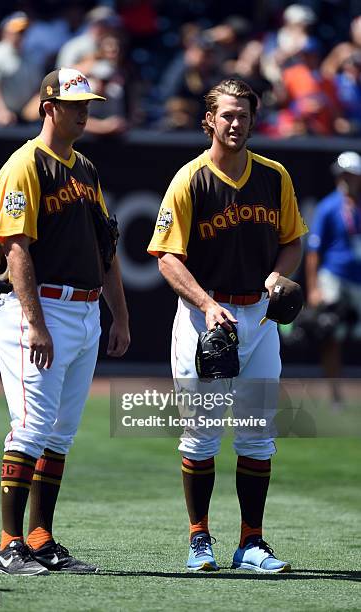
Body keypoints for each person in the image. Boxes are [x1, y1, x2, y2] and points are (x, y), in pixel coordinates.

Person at [148, 78, 307, 573]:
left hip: (259, 318)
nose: (235, 123)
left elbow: (293, 240)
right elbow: (166, 258)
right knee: (201, 436)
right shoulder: (190, 179)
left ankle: (251, 543)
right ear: (209, 121)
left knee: (258, 434)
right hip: (204, 319)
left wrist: (281, 274)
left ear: (254, 120)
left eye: (243, 114)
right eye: (227, 115)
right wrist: (204, 302)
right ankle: (200, 540)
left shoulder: (274, 176)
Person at [0, 67, 130, 575]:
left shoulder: (84, 168)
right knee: (29, 428)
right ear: (48, 107)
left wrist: (118, 314)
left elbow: (105, 244)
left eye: (87, 104)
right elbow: (17, 250)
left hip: (86, 309)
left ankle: (41, 538)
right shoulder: (24, 165)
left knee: (60, 433)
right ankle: (7, 547)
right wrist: (36, 321)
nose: (84, 112)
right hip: (40, 310)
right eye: (74, 105)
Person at [305, 151, 361, 409]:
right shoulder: (329, 207)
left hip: (358, 279)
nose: (346, 180)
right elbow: (313, 251)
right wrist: (314, 288)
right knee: (332, 335)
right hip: (334, 276)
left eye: (351, 175)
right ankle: (335, 394)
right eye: (343, 175)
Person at [0, 11, 42, 125]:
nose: (20, 35)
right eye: (16, 31)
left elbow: (38, 89)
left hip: (25, 119)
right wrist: (1, 111)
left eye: (23, 32)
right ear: (4, 32)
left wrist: (33, 110)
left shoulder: (32, 57)